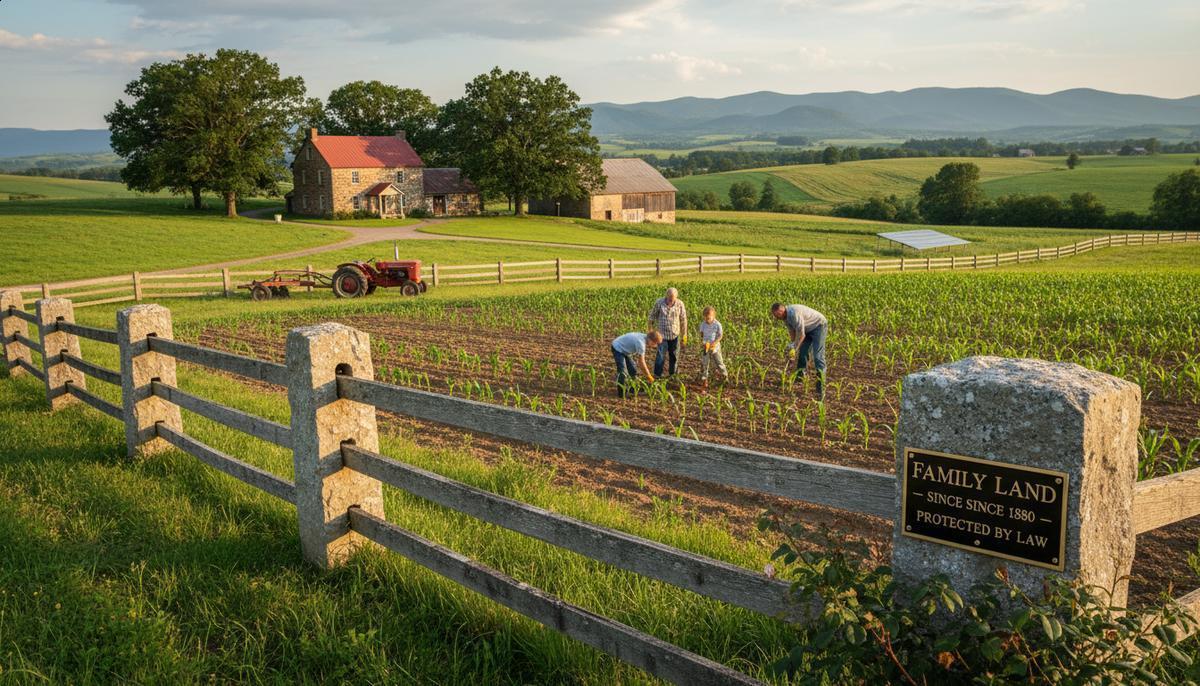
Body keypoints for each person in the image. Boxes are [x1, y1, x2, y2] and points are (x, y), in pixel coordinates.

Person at [770, 302, 827, 399]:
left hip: (818, 326)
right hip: (807, 328)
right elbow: (792, 332)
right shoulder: (785, 317)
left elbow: (802, 335)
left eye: (777, 315)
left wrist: (795, 348)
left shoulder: (794, 314)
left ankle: (820, 386)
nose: (777, 318)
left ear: (782, 310)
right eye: (775, 316)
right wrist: (793, 346)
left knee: (817, 356)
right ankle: (800, 376)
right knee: (803, 353)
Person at [648, 287, 688, 378]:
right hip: (662, 336)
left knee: (674, 356)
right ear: (666, 295)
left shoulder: (680, 304)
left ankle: (672, 375)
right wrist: (650, 331)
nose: (670, 300)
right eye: (669, 297)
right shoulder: (659, 303)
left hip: (675, 335)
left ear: (676, 297)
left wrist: (684, 335)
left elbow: (683, 320)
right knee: (660, 356)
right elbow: (651, 317)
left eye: (673, 298)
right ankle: (657, 375)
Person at [611, 330, 662, 397]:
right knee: (623, 372)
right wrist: (649, 376)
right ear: (650, 340)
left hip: (626, 350)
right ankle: (622, 393)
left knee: (633, 369)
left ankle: (633, 387)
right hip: (618, 348)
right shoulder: (641, 343)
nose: (655, 346)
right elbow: (641, 362)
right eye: (655, 343)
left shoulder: (645, 337)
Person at [698, 305, 728, 388]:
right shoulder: (703, 324)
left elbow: (720, 336)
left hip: (715, 347)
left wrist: (714, 343)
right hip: (706, 347)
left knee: (719, 362)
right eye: (705, 318)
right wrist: (704, 343)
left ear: (713, 316)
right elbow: (701, 334)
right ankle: (705, 380)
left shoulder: (717, 324)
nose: (707, 320)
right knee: (705, 363)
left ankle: (725, 377)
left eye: (709, 318)